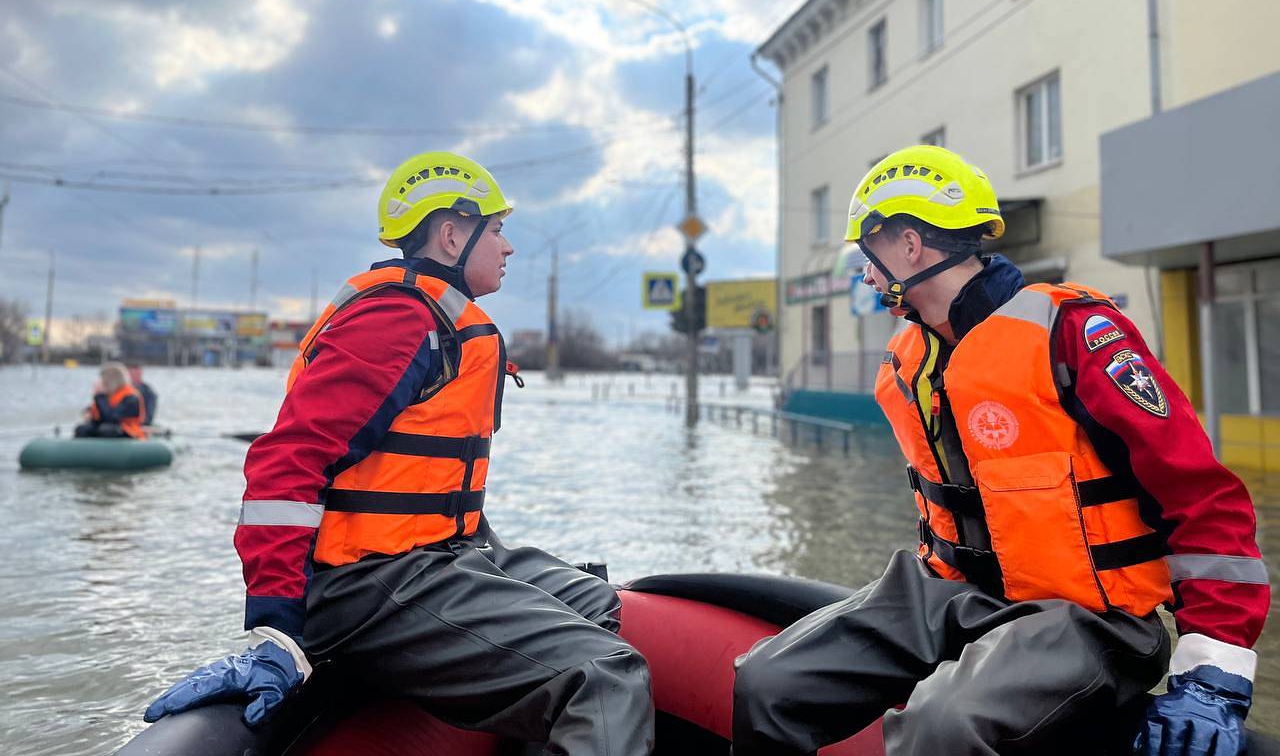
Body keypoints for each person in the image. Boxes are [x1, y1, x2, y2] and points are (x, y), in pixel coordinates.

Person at [733, 145, 1267, 756]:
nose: (865, 272)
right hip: (951, 590)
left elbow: (1201, 496)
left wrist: (1212, 671)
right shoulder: (912, 360)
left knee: (942, 722)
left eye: (869, 251)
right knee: (766, 680)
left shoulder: (1074, 333)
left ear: (909, 245)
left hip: (1091, 617)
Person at [144, 151, 654, 755]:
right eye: (496, 229)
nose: (508, 247)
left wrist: (497, 567)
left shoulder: (438, 318)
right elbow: (286, 463)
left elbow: (432, 486)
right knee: (605, 677)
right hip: (367, 582)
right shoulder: (396, 320)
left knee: (594, 598)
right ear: (450, 234)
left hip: (432, 559)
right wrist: (277, 629)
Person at [74, 361, 146, 439]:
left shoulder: (131, 397)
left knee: (107, 429)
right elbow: (99, 418)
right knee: (82, 429)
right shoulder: (109, 396)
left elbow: (112, 417)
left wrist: (100, 396)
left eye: (103, 381)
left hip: (129, 431)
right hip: (107, 427)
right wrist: (90, 415)